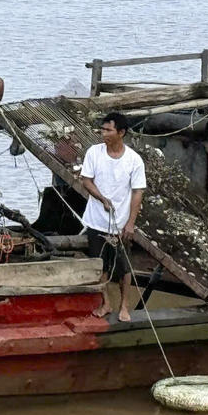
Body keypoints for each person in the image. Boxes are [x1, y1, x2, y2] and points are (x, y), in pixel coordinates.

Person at [80, 111, 148, 322]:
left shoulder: (134, 160)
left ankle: (124, 305)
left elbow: (138, 192)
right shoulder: (94, 152)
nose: (104, 134)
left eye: (108, 130)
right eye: (102, 129)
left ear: (121, 132)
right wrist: (101, 198)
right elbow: (86, 180)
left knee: (123, 268)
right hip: (96, 220)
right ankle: (105, 303)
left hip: (120, 224)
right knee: (100, 264)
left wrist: (131, 223)